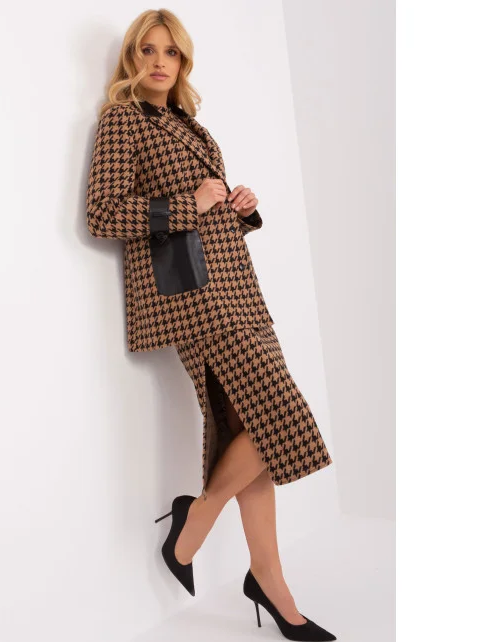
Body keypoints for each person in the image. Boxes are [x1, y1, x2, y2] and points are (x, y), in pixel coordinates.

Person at [85, 9, 337, 641]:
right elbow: (102, 213)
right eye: (147, 50)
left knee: (254, 427)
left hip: (240, 288)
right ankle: (196, 522)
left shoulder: (192, 126)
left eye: (170, 51)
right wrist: (185, 204)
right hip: (192, 298)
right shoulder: (122, 120)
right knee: (279, 413)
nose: (158, 62)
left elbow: (208, 217)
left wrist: (238, 208)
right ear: (132, 58)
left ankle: (265, 576)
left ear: (183, 61)